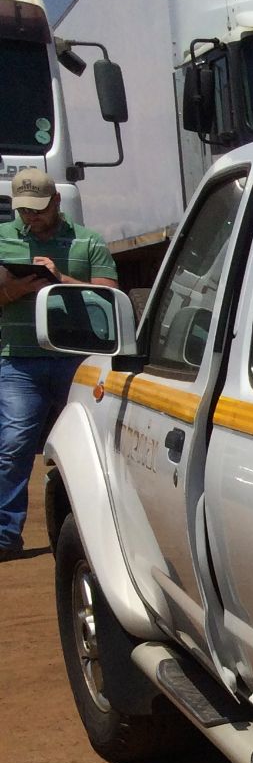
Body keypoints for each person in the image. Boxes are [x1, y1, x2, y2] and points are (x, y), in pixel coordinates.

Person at [0, 168, 118, 561]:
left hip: (76, 362)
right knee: (14, 444)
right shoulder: (2, 238)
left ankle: (103, 532)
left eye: (37, 209)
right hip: (19, 361)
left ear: (56, 202)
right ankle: (4, 536)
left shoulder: (88, 241)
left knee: (93, 445)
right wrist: (19, 288)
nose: (30, 217)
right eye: (24, 210)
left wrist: (59, 279)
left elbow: (109, 297)